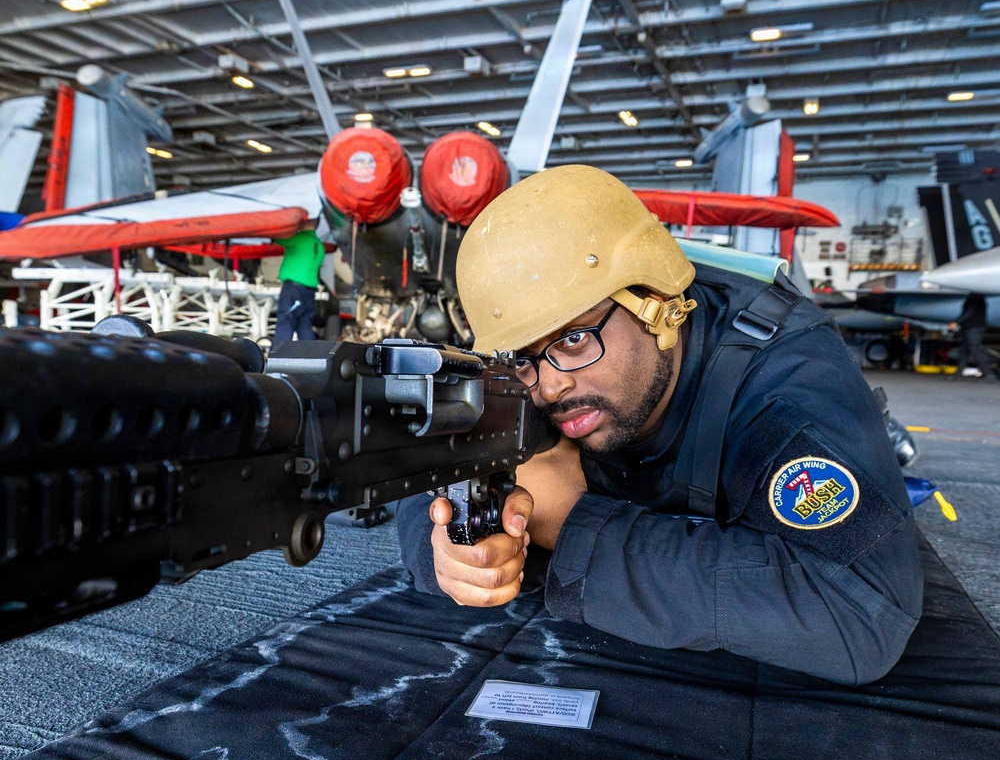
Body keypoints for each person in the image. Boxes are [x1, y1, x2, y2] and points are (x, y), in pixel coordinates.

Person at [396, 165, 924, 687]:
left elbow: (863, 617)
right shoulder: (537, 373)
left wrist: (569, 522)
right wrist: (456, 547)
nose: (550, 389)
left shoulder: (784, 373)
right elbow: (433, 467)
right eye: (521, 358)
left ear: (659, 306)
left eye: (574, 339)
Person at [272, 222, 324, 345]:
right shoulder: (319, 246)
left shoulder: (300, 238)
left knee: (286, 321)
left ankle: (278, 359)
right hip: (309, 292)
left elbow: (277, 239)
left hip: (293, 289)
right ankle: (310, 359)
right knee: (304, 325)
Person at [952, 292, 994, 378]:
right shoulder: (979, 298)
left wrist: (957, 321)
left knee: (975, 350)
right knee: (965, 351)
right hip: (972, 327)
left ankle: (988, 374)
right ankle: (958, 375)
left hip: (974, 328)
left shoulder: (975, 298)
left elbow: (969, 312)